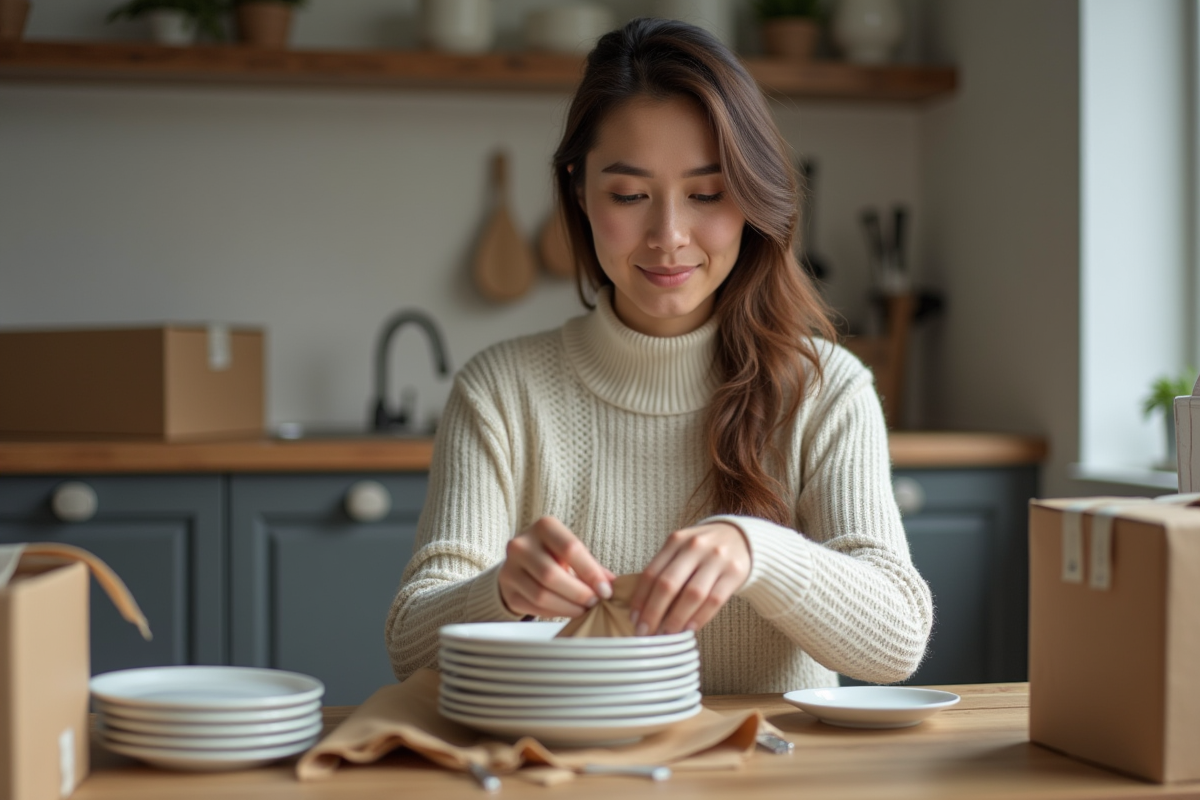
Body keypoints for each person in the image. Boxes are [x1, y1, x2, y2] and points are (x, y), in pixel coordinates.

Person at [386, 17, 932, 694]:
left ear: (754, 199)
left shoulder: (824, 389)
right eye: (630, 195)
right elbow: (409, 645)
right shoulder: (500, 391)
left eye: (706, 194)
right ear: (578, 190)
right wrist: (499, 592)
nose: (669, 236)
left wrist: (756, 549)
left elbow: (899, 643)